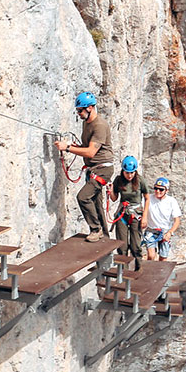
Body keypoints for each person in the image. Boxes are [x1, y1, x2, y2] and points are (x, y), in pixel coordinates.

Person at [54, 91, 114, 242]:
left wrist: (67, 148)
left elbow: (90, 152)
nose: (79, 113)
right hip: (94, 168)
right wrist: (71, 145)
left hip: (102, 168)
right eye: (78, 111)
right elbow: (86, 147)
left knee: (83, 197)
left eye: (80, 110)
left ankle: (96, 229)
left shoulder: (99, 125)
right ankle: (104, 238)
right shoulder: (86, 123)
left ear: (90, 108)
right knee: (96, 204)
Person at [109, 156, 149, 265]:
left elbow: (147, 198)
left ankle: (138, 266)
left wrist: (145, 217)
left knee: (136, 245)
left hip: (136, 214)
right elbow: (114, 198)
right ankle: (122, 269)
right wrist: (111, 191)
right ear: (123, 171)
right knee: (122, 245)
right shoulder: (118, 180)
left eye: (132, 172)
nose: (130, 175)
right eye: (127, 173)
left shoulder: (140, 181)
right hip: (122, 214)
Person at [142, 177, 182, 261]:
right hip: (151, 230)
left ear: (166, 190)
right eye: (156, 188)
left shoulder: (171, 201)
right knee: (151, 255)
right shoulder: (149, 198)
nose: (157, 191)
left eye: (161, 189)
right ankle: (149, 271)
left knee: (163, 258)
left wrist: (170, 232)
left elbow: (177, 220)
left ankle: (159, 272)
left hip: (165, 231)